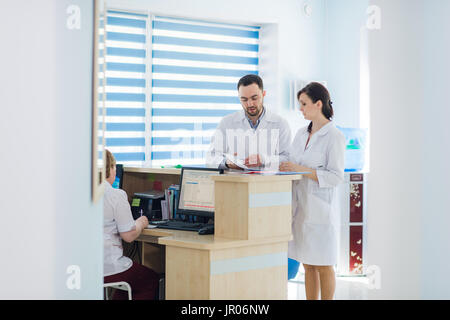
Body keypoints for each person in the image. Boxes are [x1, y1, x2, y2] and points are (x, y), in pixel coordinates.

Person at [279, 82, 345, 300]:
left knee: (324, 265)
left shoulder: (334, 136)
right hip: (301, 211)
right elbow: (291, 161)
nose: (301, 108)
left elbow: (336, 176)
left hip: (321, 212)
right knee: (308, 264)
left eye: (304, 104)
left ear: (318, 104)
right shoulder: (300, 133)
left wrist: (302, 170)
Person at [103, 149, 159, 300]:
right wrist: (141, 222)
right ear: (110, 169)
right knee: (149, 279)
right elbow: (128, 236)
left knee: (130, 281)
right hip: (107, 268)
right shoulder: (114, 194)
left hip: (81, 268)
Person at [206, 74, 291, 171]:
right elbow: (210, 158)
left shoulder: (280, 123)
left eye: (254, 98)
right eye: (244, 99)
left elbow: (287, 158)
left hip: (268, 183)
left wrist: (264, 159)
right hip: (237, 184)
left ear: (263, 94)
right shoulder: (227, 122)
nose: (250, 104)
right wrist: (227, 163)